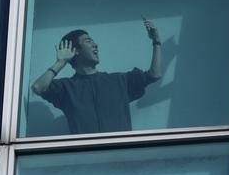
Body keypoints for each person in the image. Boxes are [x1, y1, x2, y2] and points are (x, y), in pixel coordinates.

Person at [30, 18, 162, 134]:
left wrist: (156, 41)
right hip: (87, 154)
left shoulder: (119, 81)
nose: (95, 45)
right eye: (88, 41)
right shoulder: (66, 88)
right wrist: (61, 62)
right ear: (75, 51)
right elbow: (38, 87)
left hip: (121, 153)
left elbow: (154, 75)